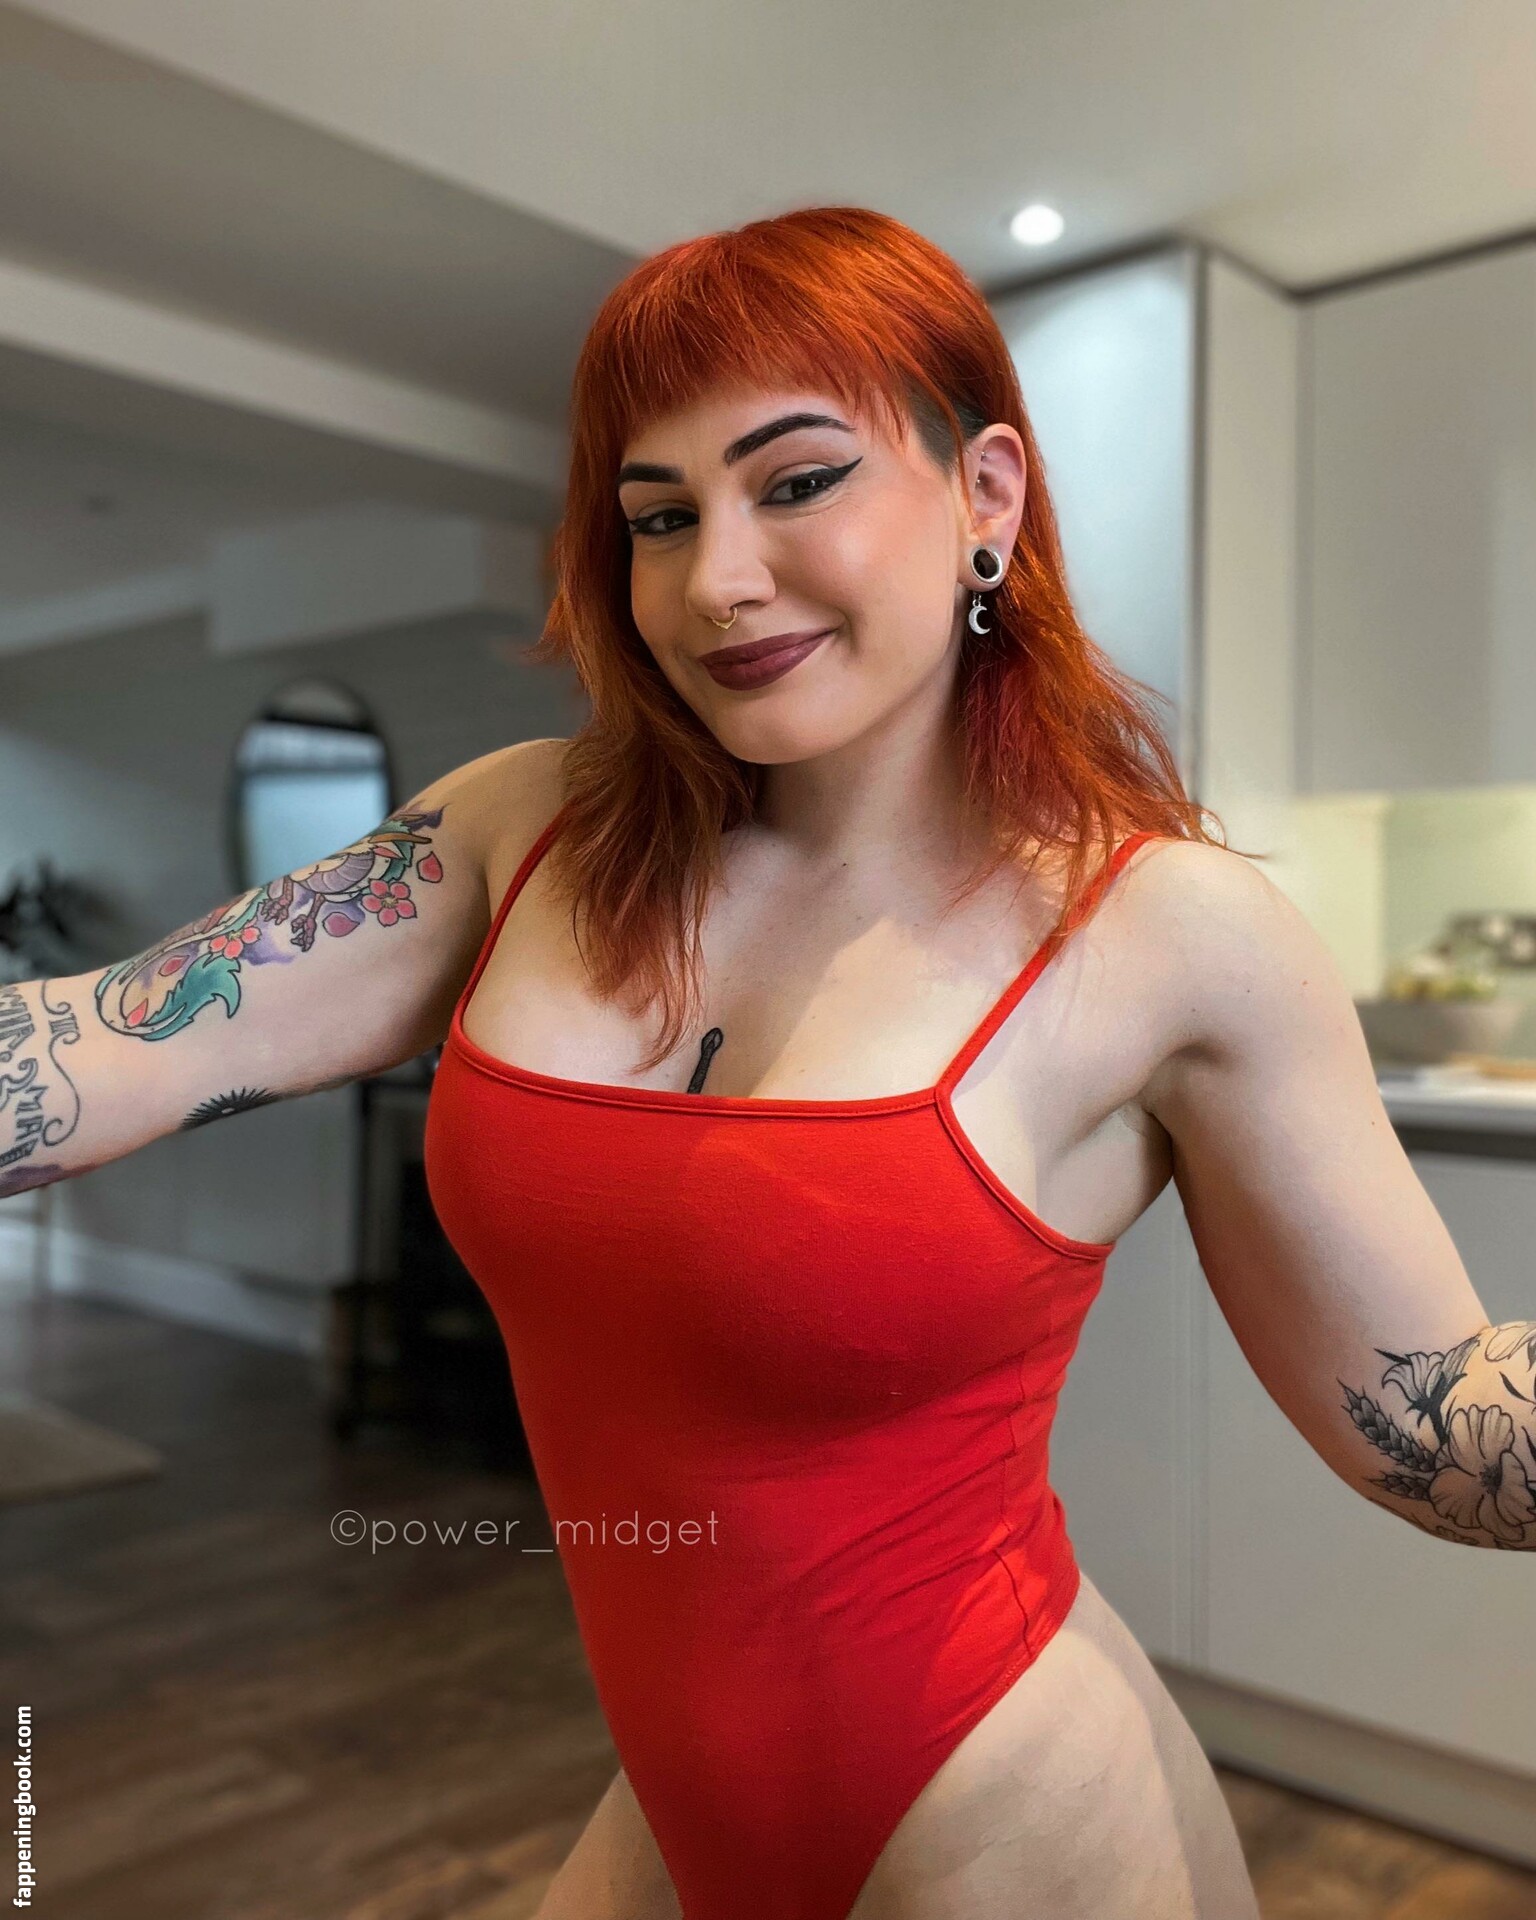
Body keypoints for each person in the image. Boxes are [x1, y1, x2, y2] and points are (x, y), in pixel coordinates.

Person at [8, 206, 1528, 1920]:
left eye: (796, 482)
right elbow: (103, 1040)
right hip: (678, 1809)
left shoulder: (1166, 931)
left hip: (1007, 1831)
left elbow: (1442, 1429)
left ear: (987, 497)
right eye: (659, 517)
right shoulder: (524, 833)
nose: (714, 579)